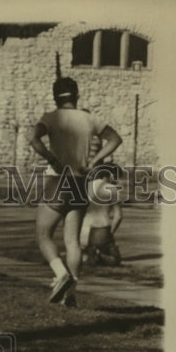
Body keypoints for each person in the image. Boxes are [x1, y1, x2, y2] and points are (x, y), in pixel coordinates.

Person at [29, 77, 122, 304]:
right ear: (77, 95)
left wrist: (51, 158)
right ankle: (70, 294)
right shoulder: (89, 118)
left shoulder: (51, 117)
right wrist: (95, 161)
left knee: (43, 235)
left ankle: (61, 274)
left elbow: (33, 138)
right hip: (81, 182)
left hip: (58, 180)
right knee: (72, 242)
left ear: (55, 97)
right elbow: (115, 139)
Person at [81, 163, 123, 268]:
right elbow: (118, 216)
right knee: (115, 259)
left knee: (81, 251)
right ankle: (98, 253)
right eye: (117, 177)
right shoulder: (112, 189)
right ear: (111, 175)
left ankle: (86, 253)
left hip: (81, 230)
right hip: (100, 231)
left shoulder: (85, 185)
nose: (117, 181)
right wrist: (110, 234)